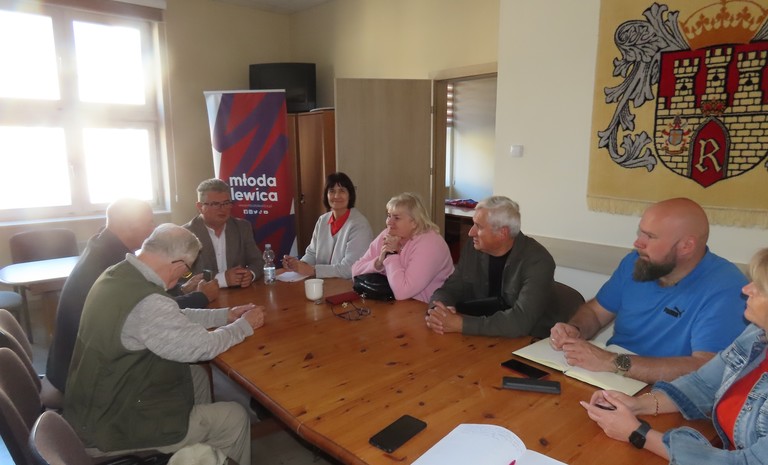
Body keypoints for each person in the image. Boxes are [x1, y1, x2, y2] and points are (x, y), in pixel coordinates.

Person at [64, 224, 265, 465]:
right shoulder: (148, 302)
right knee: (233, 416)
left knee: (196, 376)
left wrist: (225, 315)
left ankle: (198, 453)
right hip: (111, 426)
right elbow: (202, 346)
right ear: (179, 264)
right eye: (186, 270)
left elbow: (171, 316)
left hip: (99, 401)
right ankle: (197, 445)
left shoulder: (119, 273)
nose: (183, 276)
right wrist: (244, 326)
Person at [582, 248, 768, 463]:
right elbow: (702, 384)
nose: (746, 289)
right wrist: (638, 404)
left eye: (759, 288)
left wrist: (638, 433)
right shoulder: (756, 334)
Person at [550, 198, 747, 384]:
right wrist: (575, 329)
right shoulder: (637, 262)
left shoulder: (727, 287)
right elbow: (595, 312)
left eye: (650, 237)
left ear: (686, 246)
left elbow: (706, 368)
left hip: (667, 392)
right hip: (611, 378)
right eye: (640, 233)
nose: (638, 243)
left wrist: (613, 362)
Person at [46, 199, 218, 394]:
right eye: (149, 222)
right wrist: (201, 297)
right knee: (181, 359)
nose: (153, 229)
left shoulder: (102, 246)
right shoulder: (114, 265)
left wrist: (182, 289)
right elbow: (152, 310)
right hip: (83, 376)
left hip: (70, 363)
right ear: (129, 225)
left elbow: (144, 297)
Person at [425, 196, 558, 338]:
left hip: (527, 341)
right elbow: (449, 289)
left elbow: (520, 322)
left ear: (502, 233)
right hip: (481, 336)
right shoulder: (473, 248)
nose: (471, 232)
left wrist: (462, 324)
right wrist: (438, 311)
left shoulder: (538, 261)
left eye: (479, 227)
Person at [351, 192, 453, 302]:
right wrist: (378, 263)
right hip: (396, 304)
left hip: (428, 307)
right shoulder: (387, 235)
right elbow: (355, 271)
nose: (389, 222)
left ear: (414, 222)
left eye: (397, 218)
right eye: (389, 216)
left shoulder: (430, 243)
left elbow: (402, 292)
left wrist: (391, 255)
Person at [283, 172, 372, 279]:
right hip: (322, 282)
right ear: (326, 195)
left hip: (348, 284)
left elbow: (349, 269)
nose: (336, 196)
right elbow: (312, 253)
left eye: (342, 191)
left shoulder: (359, 225)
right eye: (332, 191)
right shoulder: (322, 220)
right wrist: (298, 265)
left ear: (350, 195)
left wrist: (312, 270)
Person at [184, 178, 264, 288]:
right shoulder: (186, 234)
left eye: (226, 203)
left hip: (240, 293)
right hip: (203, 296)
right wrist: (222, 279)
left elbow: (258, 261)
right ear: (200, 207)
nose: (222, 209)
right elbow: (186, 275)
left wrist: (250, 273)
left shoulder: (242, 227)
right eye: (215, 204)